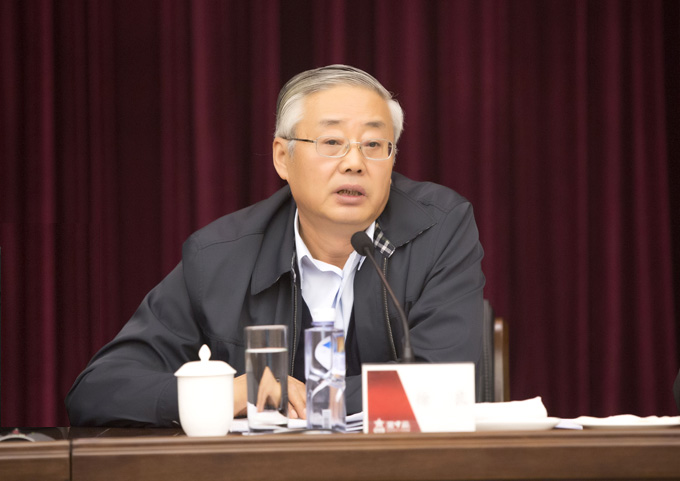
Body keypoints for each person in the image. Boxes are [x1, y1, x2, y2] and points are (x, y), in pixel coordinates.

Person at [66, 65, 485, 427]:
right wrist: (229, 393)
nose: (355, 163)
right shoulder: (220, 257)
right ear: (283, 157)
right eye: (331, 142)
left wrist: (309, 399)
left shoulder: (439, 230)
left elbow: (445, 384)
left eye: (374, 145)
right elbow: (99, 389)